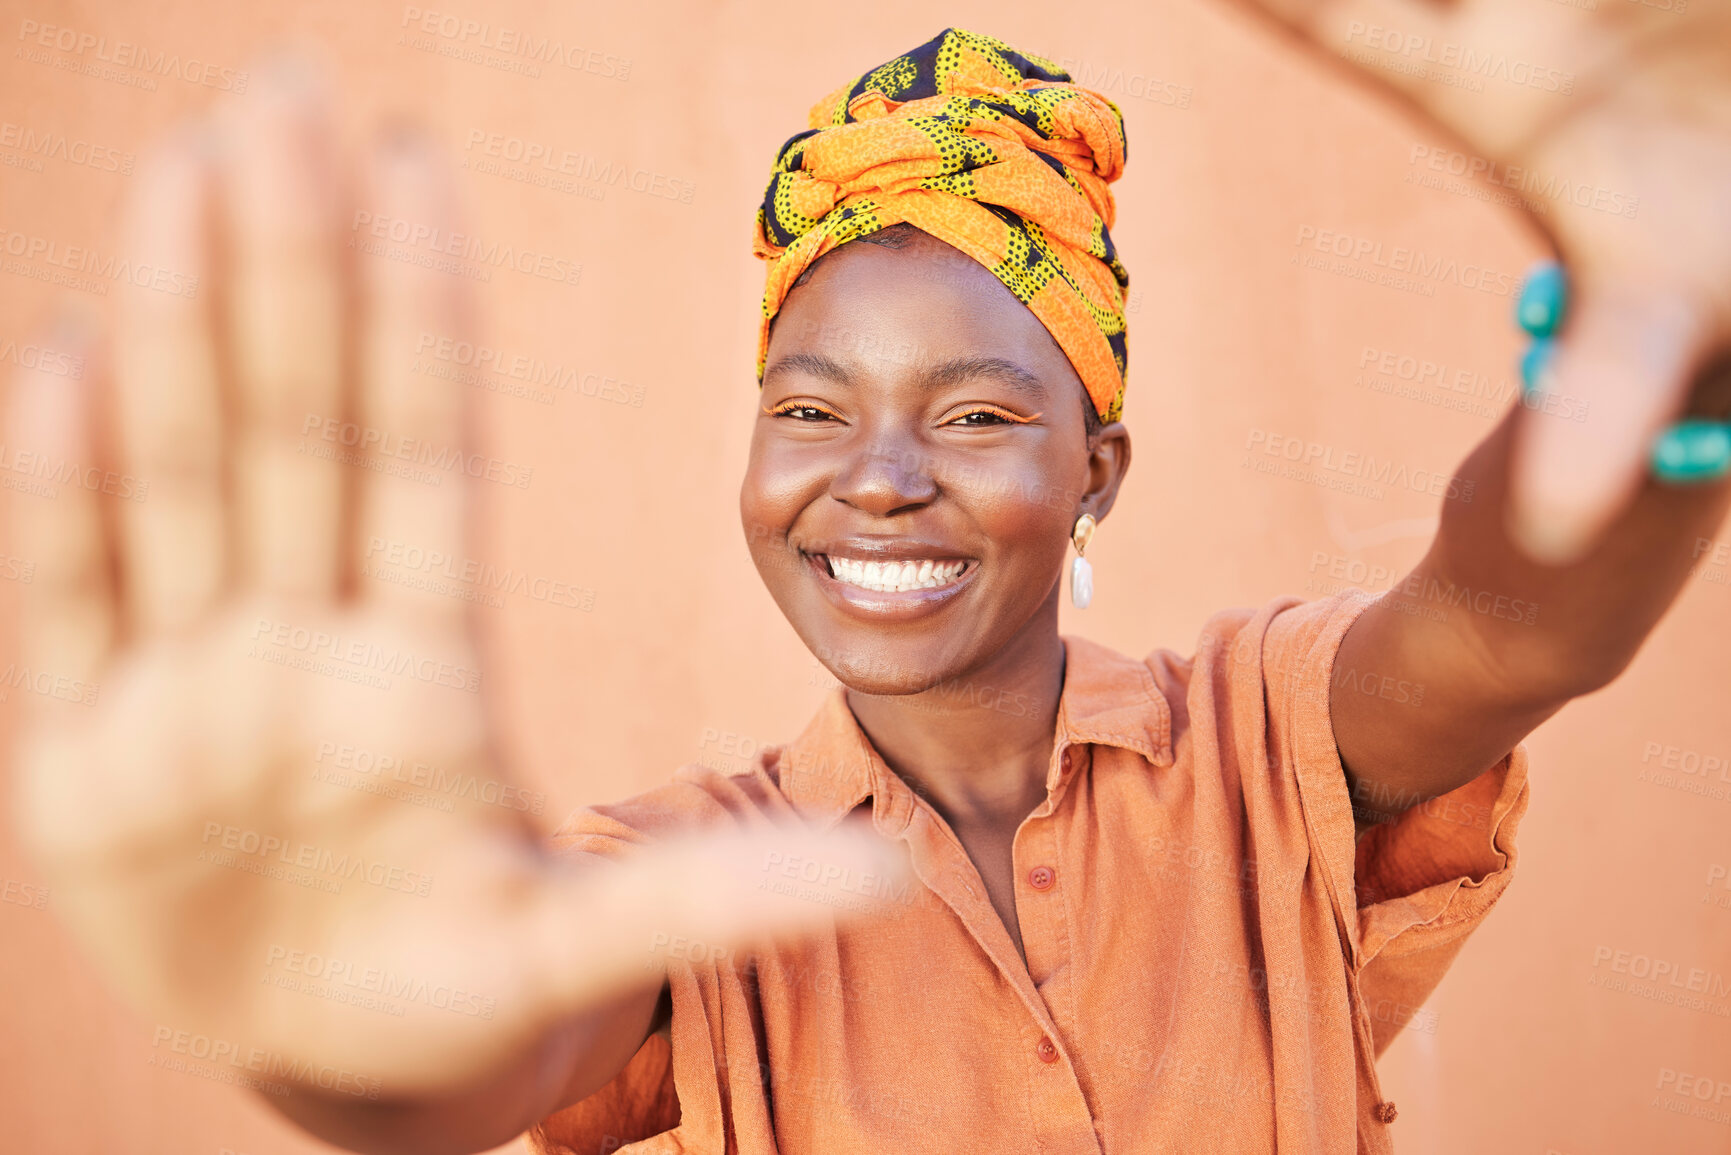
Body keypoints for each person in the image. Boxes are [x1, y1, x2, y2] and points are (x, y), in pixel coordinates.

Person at [10, 13, 1730, 1155]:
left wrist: (1675, 354)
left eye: (978, 412)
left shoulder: (1265, 743)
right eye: (808, 409)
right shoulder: (674, 885)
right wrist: (333, 1025)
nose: (878, 476)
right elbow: (481, 1042)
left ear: (1094, 474)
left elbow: (1515, 617)